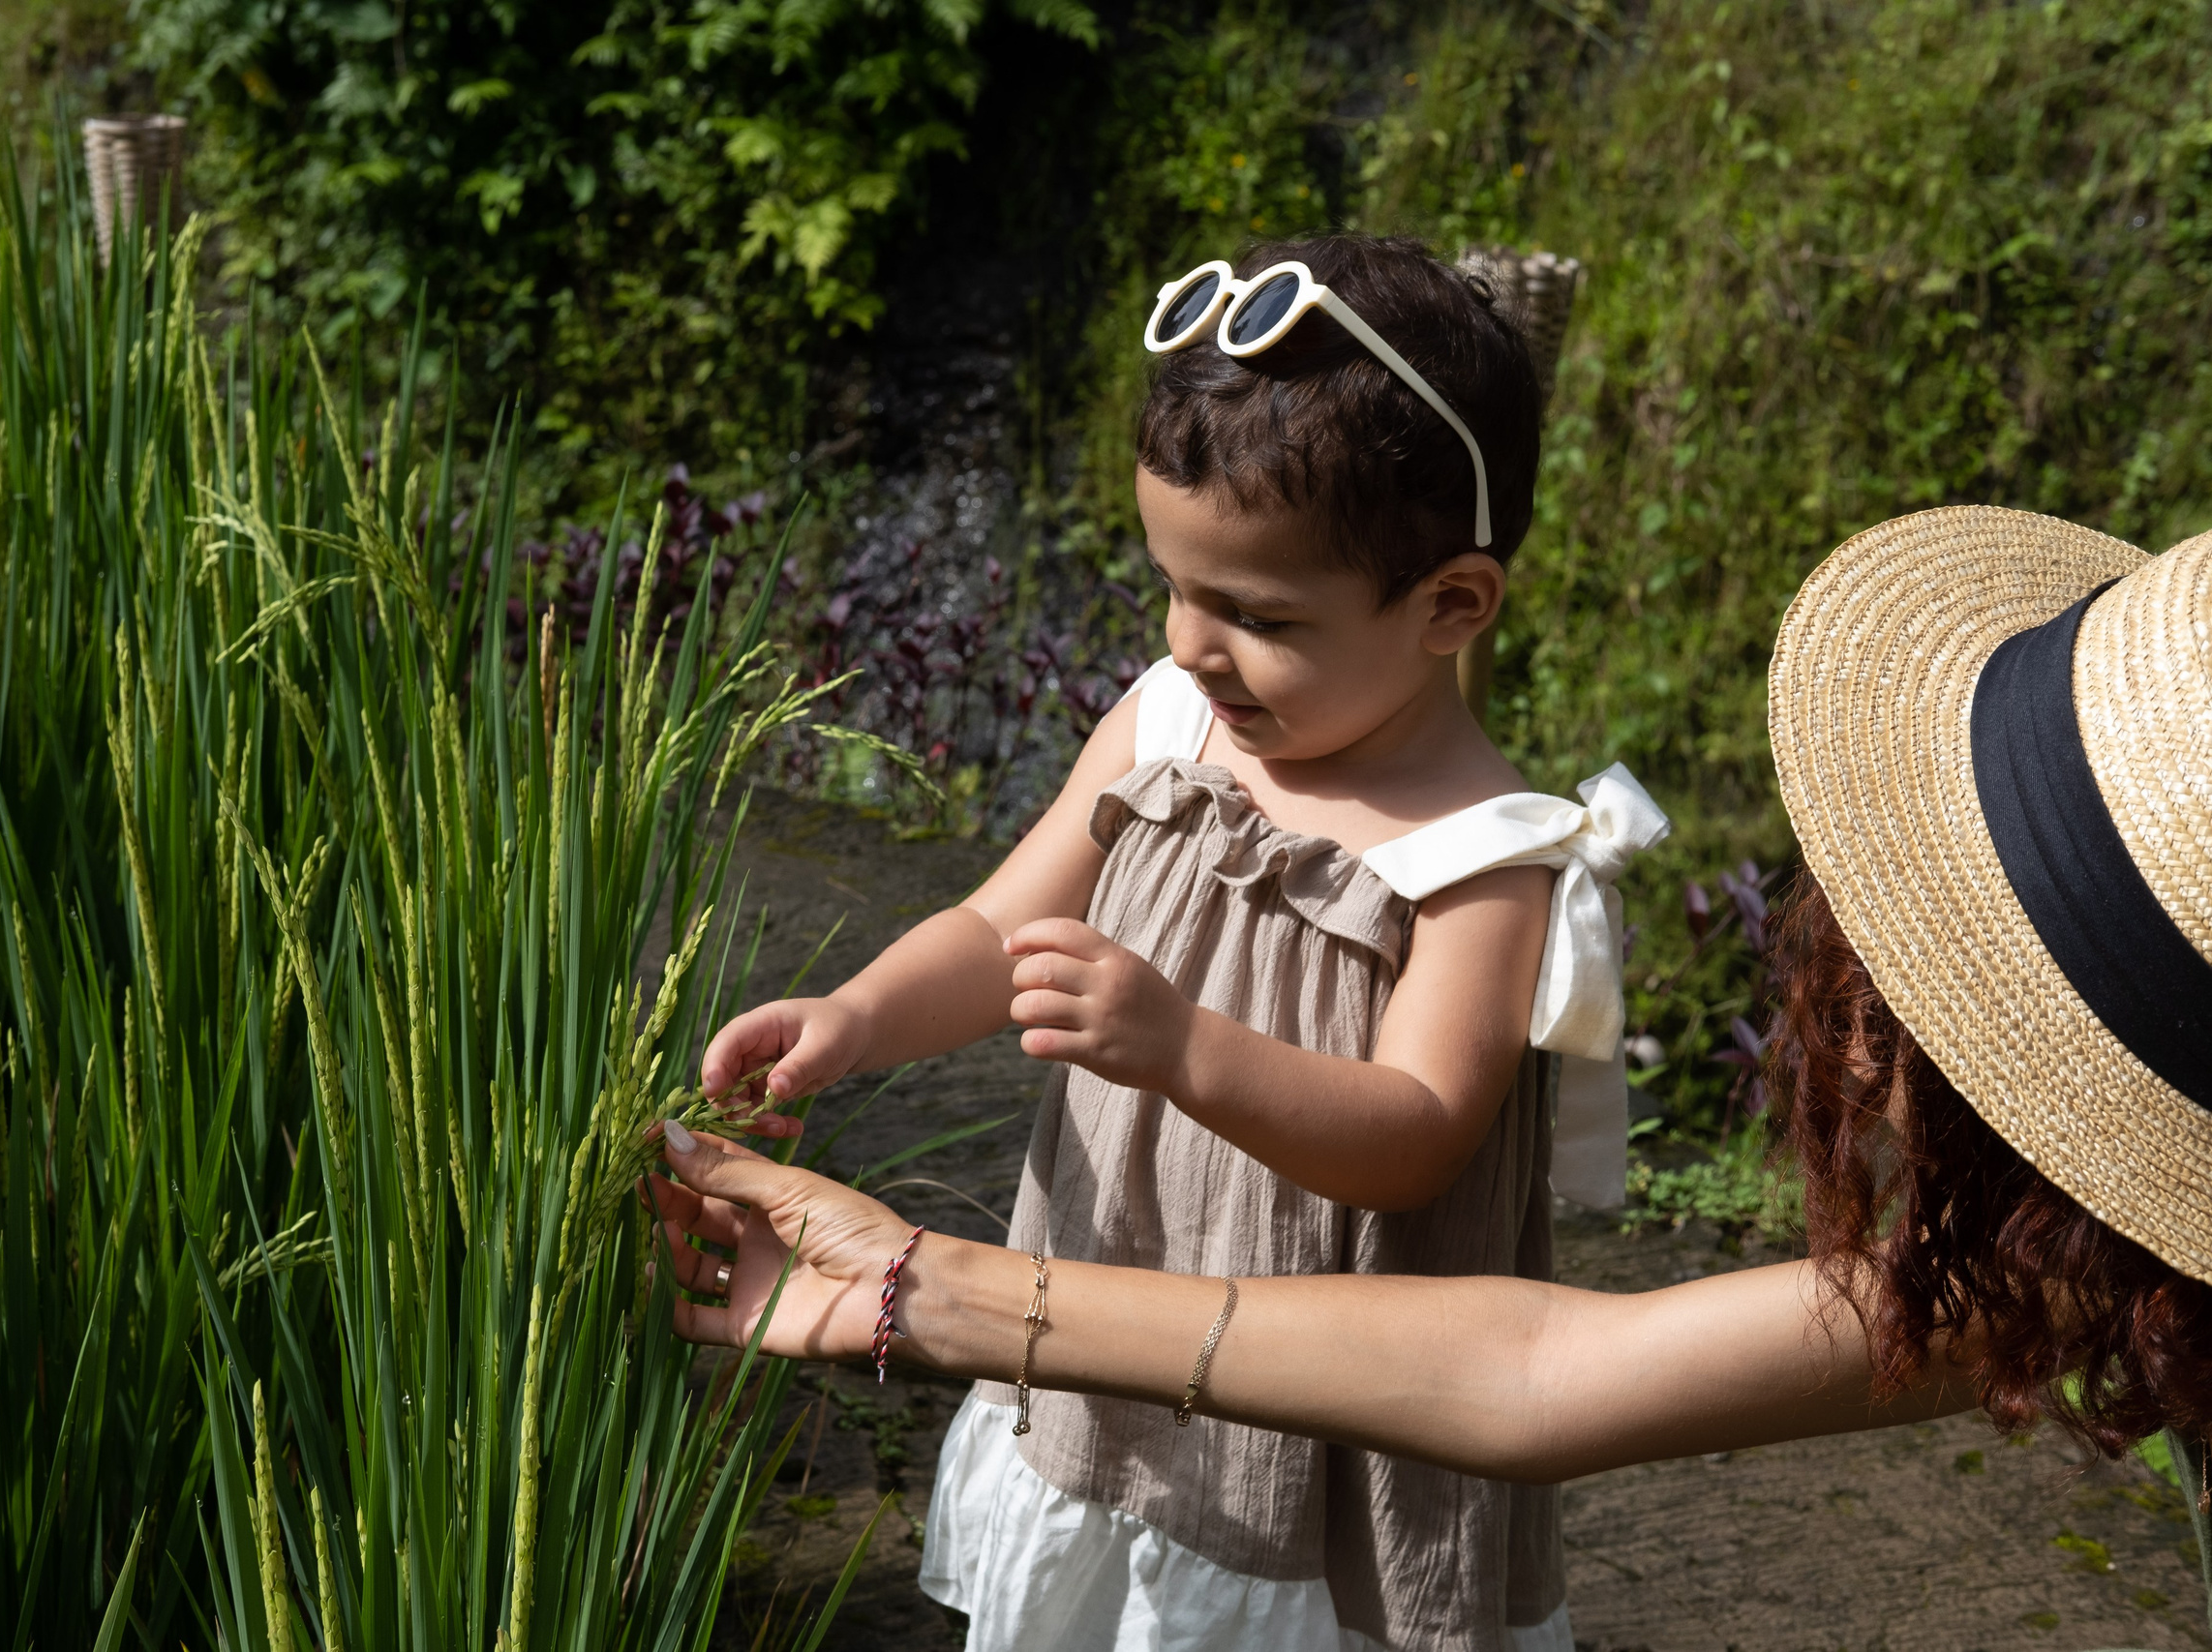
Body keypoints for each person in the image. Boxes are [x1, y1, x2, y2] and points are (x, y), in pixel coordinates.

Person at [654, 505, 2212, 1594]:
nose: (1858, 1009)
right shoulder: (2077, 1265)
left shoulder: (1479, 860)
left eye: (1929, 938)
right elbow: (1536, 1368)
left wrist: (1155, 1072)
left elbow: (1441, 1189)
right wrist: (906, 1274)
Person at [696, 236, 1666, 1652]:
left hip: (1313, 1407)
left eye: (1260, 616)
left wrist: (1186, 1047)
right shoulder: (1170, 722)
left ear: (1451, 606)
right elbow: (998, 924)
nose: (1196, 644)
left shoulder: (1480, 859)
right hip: (1102, 1322)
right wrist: (858, 1015)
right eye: (1177, 585)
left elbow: (1415, 1137)